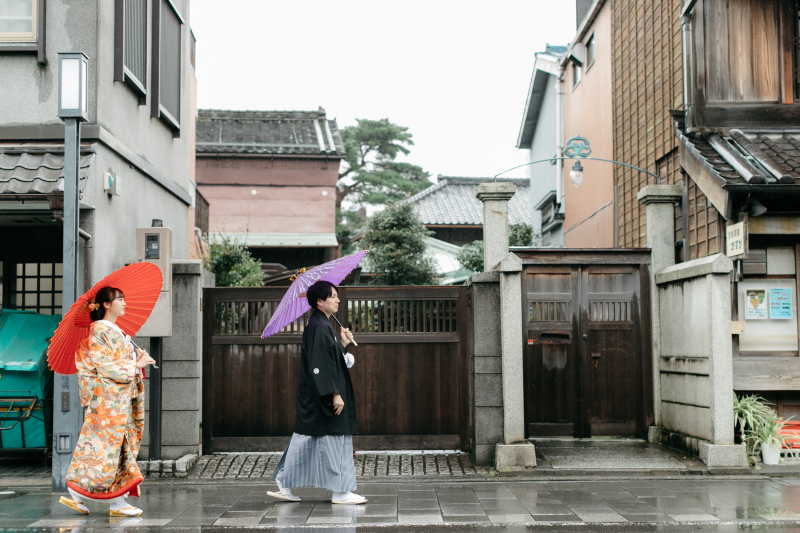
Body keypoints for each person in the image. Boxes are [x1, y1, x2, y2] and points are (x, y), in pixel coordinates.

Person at [59, 287, 156, 517]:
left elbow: (118, 363)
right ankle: (82, 494)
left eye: (124, 298)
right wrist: (135, 365)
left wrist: (137, 359)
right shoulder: (99, 330)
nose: (124, 303)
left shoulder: (114, 331)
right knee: (106, 450)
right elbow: (106, 365)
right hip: (108, 402)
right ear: (106, 304)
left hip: (116, 401)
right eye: (119, 299)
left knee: (115, 450)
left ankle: (111, 501)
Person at [267, 280, 366, 505]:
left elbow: (330, 358)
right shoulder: (319, 326)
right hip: (323, 397)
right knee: (331, 441)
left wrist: (342, 342)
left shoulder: (322, 325)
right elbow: (320, 364)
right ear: (320, 301)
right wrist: (334, 393)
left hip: (318, 396)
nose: (338, 299)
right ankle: (340, 491)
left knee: (307, 439)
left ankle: (285, 481)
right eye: (333, 296)